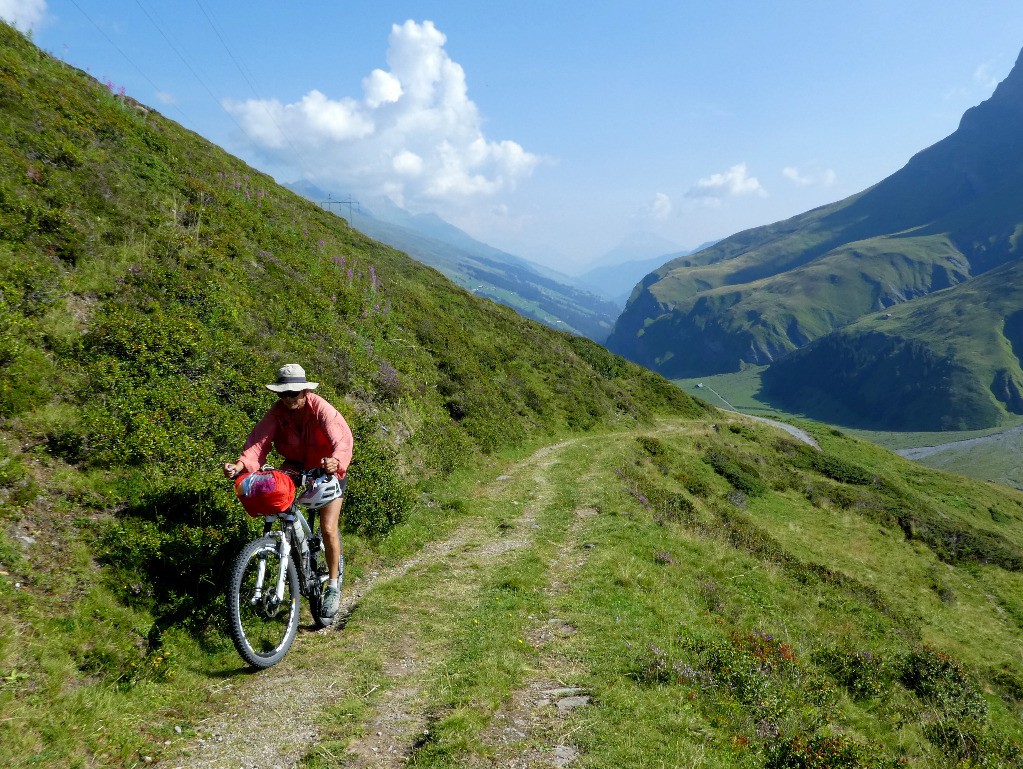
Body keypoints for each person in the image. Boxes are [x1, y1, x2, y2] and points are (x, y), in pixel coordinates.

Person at [223, 364, 353, 617]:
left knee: (327, 528)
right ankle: (290, 550)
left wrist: (336, 461)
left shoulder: (321, 409)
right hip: (294, 466)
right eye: (283, 394)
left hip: (327, 467)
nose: (288, 398)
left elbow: (341, 438)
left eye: (294, 393)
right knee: (277, 496)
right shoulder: (277, 413)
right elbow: (258, 443)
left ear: (305, 391)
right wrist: (240, 466)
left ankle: (333, 587)